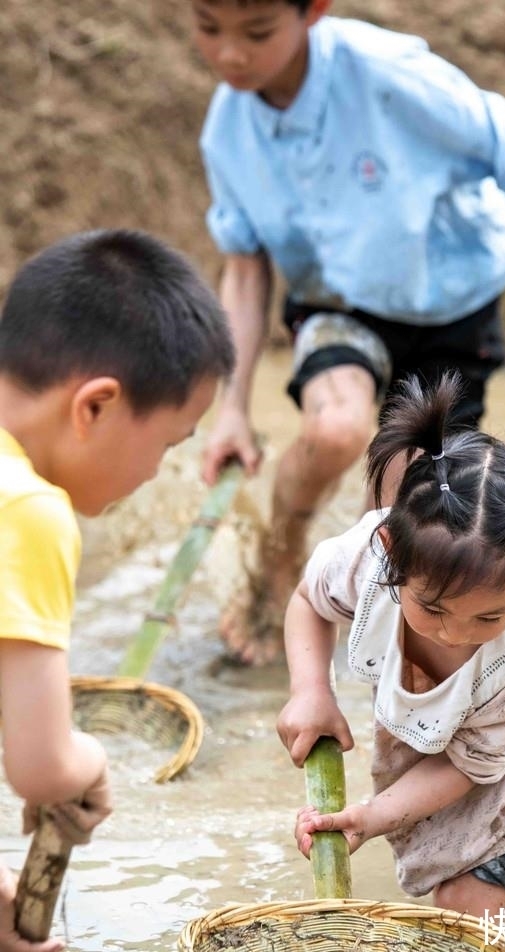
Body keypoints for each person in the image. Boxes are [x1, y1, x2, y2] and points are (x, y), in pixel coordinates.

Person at [193, 0, 505, 665]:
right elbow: (246, 269)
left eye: (256, 34)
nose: (231, 54)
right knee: (336, 429)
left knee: (407, 507)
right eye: (208, 28)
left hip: (448, 307)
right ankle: (280, 564)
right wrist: (231, 408)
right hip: (336, 302)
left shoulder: (392, 77)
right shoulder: (228, 130)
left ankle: (399, 653)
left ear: (313, 11)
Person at [277, 371, 505, 918]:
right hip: (479, 727)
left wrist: (371, 817)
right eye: (433, 608)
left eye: (487, 615)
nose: (455, 633)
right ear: (391, 551)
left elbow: (468, 764)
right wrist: (310, 691)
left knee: (461, 903)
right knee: (436, 851)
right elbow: (308, 601)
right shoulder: (367, 561)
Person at [0, 229, 234, 952]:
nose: (159, 469)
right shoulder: (27, 511)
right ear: (94, 406)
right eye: (168, 442)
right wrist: (89, 762)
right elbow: (41, 768)